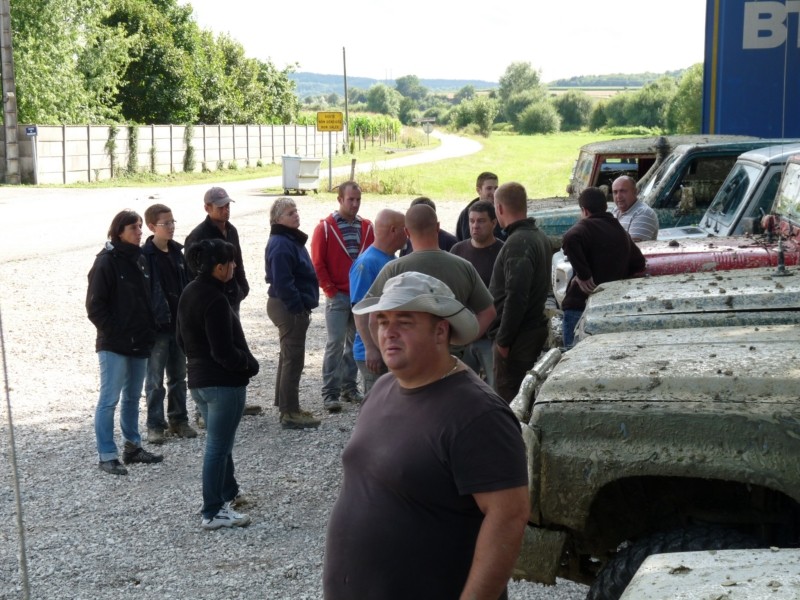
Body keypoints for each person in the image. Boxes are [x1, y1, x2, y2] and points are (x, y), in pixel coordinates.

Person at [323, 271, 529, 600]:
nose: (388, 332)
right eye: (383, 320)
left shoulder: (478, 414)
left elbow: (509, 516)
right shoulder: (384, 388)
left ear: (440, 331)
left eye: (404, 321)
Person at [177, 239, 259, 530]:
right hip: (222, 384)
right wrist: (249, 364)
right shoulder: (214, 298)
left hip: (198, 381)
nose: (235, 267)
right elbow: (223, 351)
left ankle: (228, 493)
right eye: (232, 263)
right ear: (219, 267)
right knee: (218, 447)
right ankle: (213, 510)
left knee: (220, 443)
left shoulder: (189, 291)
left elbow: (181, 340)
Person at [86, 209, 163, 475]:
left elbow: (146, 299)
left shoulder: (140, 258)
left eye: (141, 227)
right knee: (109, 399)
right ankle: (106, 455)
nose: (140, 231)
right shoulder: (106, 262)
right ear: (119, 231)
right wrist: (117, 334)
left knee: (132, 397)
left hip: (139, 341)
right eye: (134, 227)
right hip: (114, 345)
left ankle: (133, 447)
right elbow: (95, 308)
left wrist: (149, 329)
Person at [364, 203, 496, 347]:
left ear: (407, 232)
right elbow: (488, 312)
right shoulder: (464, 267)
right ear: (438, 227)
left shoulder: (393, 269)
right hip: (452, 357)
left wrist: (387, 351)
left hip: (410, 356)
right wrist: (464, 338)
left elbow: (372, 318)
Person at [185, 187, 260, 419]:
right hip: (210, 300)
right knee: (214, 346)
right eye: (220, 206)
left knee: (234, 340)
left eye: (228, 205)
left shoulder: (232, 230)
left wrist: (242, 286)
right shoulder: (198, 236)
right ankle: (205, 408)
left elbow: (238, 261)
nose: (226, 210)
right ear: (207, 208)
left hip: (230, 296)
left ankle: (234, 391)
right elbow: (192, 272)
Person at [311, 180, 375, 413]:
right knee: (335, 344)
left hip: (359, 296)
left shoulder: (367, 227)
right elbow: (318, 262)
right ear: (340, 199)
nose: (355, 204)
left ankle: (349, 388)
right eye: (351, 199)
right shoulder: (325, 228)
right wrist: (329, 289)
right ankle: (330, 393)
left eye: (358, 199)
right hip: (337, 296)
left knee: (355, 343)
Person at [489, 182, 552, 403]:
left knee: (511, 403)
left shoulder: (519, 243)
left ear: (499, 209)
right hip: (528, 334)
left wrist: (503, 342)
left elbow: (516, 296)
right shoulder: (537, 236)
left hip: (518, 341)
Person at [560, 187, 646, 348]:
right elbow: (639, 263)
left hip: (580, 307)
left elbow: (570, 238)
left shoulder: (585, 227)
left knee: (572, 356)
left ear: (584, 210)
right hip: (609, 308)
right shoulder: (619, 230)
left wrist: (583, 275)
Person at [142, 203, 196, 444]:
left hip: (178, 325)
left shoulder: (177, 253)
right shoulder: (145, 257)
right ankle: (155, 424)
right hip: (158, 327)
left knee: (178, 376)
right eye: (166, 224)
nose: (172, 227)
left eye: (173, 222)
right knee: (154, 380)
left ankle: (178, 420)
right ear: (152, 227)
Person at [265, 198, 321, 430]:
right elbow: (283, 281)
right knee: (293, 359)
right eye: (290, 213)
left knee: (287, 356)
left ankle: (285, 404)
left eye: (296, 210)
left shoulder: (287, 239)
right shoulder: (281, 243)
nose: (296, 215)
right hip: (287, 307)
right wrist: (297, 308)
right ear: (278, 219)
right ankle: (290, 412)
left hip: (287, 305)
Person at [349, 209, 407, 394]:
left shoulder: (392, 260)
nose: (407, 234)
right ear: (393, 230)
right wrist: (371, 348)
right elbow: (359, 310)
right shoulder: (367, 263)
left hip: (386, 348)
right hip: (373, 352)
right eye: (404, 229)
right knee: (377, 406)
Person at [450, 200, 504, 388]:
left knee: (494, 388)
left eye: (481, 221)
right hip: (463, 336)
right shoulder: (458, 250)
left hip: (491, 337)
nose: (475, 226)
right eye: (472, 221)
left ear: (494, 223)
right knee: (461, 386)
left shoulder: (502, 252)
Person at [455, 171, 507, 242]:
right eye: (489, 188)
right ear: (478, 190)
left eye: (496, 188)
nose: (494, 192)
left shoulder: (503, 211)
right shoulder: (467, 214)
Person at [611, 175, 659, 241]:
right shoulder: (615, 211)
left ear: (635, 192)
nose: (618, 196)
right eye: (615, 192)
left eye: (623, 191)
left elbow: (631, 246)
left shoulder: (644, 213)